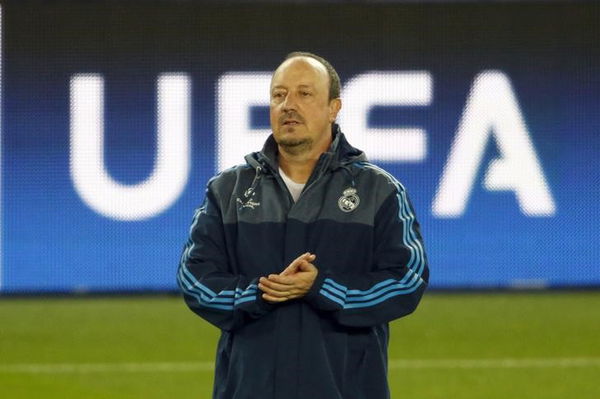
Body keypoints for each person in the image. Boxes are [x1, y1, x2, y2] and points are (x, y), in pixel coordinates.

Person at [177, 51, 429, 399]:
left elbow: (407, 280)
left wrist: (322, 288)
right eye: (278, 95)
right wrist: (259, 293)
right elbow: (195, 278)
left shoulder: (379, 191)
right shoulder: (227, 190)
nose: (288, 105)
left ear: (333, 107)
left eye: (304, 93)